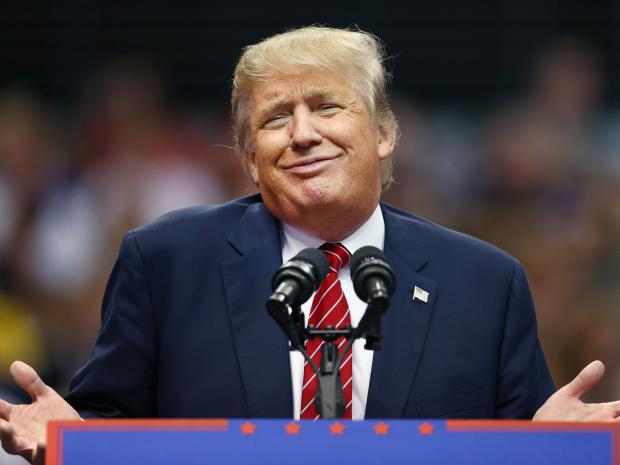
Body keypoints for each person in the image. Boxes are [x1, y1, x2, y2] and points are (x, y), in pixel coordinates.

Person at [1, 25, 620, 465]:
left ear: (383, 133)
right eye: (274, 118)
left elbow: (517, 443)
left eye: (327, 107)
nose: (302, 135)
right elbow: (108, 429)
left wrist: (553, 447)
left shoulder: (484, 281)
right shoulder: (165, 262)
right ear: (249, 158)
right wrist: (69, 441)